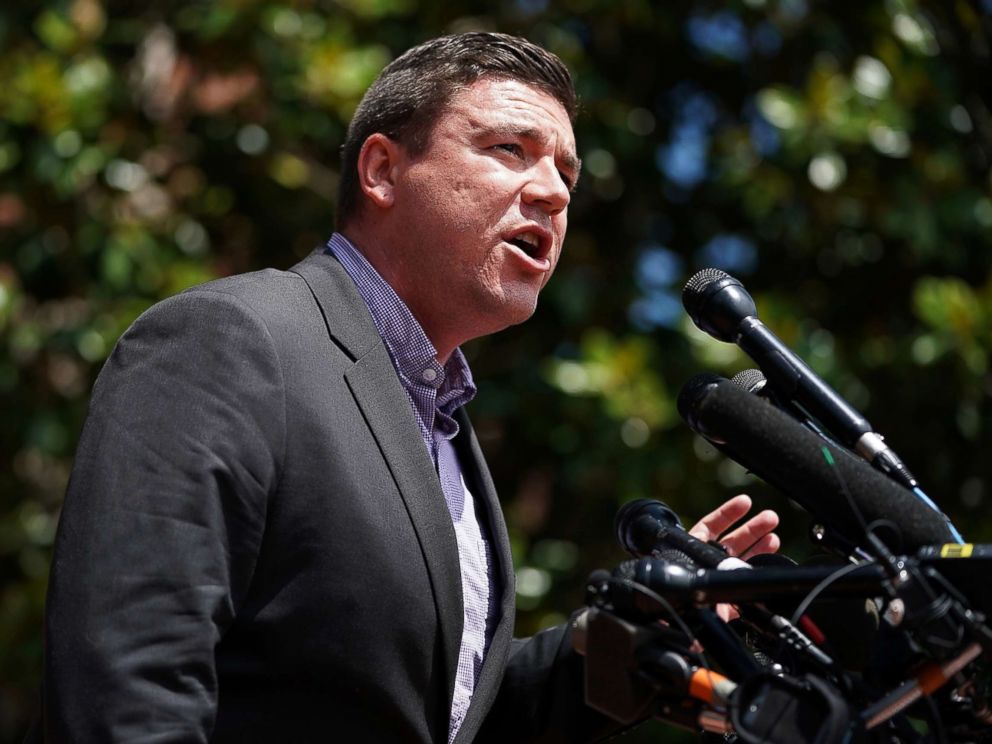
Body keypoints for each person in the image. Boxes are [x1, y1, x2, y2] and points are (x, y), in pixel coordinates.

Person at [42, 32, 779, 743]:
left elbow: (449, 716)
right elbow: (128, 679)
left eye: (567, 174)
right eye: (510, 150)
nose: (553, 192)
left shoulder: (447, 430)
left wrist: (647, 623)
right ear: (383, 171)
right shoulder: (230, 339)